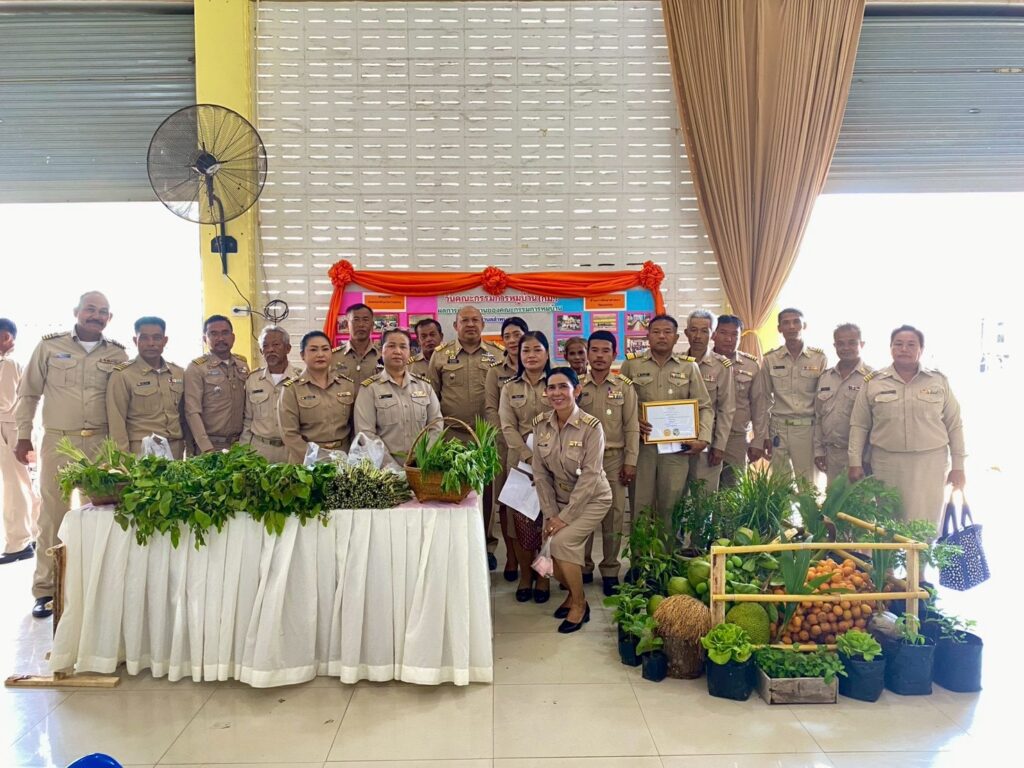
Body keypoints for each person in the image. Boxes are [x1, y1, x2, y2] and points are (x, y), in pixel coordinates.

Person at [14, 291, 128, 618]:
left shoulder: (118, 353)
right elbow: (28, 394)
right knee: (53, 514)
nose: (96, 315)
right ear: (77, 311)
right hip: (59, 442)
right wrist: (23, 436)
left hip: (102, 445)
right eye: (90, 309)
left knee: (103, 515)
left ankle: (97, 587)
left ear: (109, 318)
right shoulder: (50, 347)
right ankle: (46, 589)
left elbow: (124, 400)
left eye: (103, 311)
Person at [848, 325, 965, 524]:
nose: (904, 349)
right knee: (889, 521)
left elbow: (955, 425)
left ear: (921, 349)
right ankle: (891, 547)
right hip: (887, 463)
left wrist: (958, 466)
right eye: (898, 344)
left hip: (930, 464)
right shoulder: (874, 382)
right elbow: (859, 425)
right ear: (891, 348)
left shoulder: (938, 381)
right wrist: (854, 462)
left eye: (911, 344)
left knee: (926, 522)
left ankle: (926, 546)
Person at [533, 367, 612, 633]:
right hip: (558, 500)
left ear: (576, 390)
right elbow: (540, 474)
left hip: (592, 498)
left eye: (563, 386)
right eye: (551, 387)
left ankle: (580, 604)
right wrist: (550, 514)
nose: (557, 393)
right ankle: (571, 595)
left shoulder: (592, 427)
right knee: (550, 543)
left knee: (562, 542)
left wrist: (563, 519)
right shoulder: (540, 425)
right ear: (546, 393)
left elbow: (589, 478)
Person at [427, 305, 505, 568]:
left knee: (487, 494)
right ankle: (456, 545)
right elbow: (433, 398)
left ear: (483, 324)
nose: (470, 324)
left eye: (475, 320)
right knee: (453, 493)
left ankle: (486, 545)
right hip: (452, 437)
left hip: (486, 438)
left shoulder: (497, 355)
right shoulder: (440, 356)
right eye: (464, 320)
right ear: (455, 326)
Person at [620, 314, 713, 527]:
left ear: (677, 337)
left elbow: (705, 406)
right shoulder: (631, 365)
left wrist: (703, 439)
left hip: (676, 449)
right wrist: (634, 421)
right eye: (656, 332)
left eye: (667, 332)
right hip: (642, 448)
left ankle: (669, 549)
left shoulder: (689, 367)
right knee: (640, 506)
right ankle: (640, 550)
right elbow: (620, 404)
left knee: (671, 507)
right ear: (648, 336)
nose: (662, 336)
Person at [579, 330, 639, 595]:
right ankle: (583, 567)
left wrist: (631, 461)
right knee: (582, 513)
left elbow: (632, 426)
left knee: (614, 516)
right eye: (594, 350)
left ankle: (611, 570)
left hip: (614, 458)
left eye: (605, 351)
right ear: (587, 353)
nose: (599, 356)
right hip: (582, 460)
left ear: (614, 354)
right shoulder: (576, 386)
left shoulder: (624, 387)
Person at [498, 330, 551, 603]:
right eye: (525, 350)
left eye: (537, 350)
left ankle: (543, 577)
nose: (531, 355)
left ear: (547, 353)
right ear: (518, 355)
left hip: (554, 464)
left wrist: (545, 459)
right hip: (520, 463)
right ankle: (525, 576)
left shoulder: (557, 383)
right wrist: (528, 458)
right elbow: (507, 426)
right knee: (519, 523)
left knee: (548, 523)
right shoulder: (510, 388)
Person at [354, 328, 441, 462]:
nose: (397, 351)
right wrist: (391, 467)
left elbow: (436, 425)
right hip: (385, 469)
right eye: (391, 346)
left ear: (410, 351)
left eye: (403, 347)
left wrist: (422, 460)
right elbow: (366, 434)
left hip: (422, 466)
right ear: (381, 350)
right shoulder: (370, 389)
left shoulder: (424, 386)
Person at [761, 308, 828, 484]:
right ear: (779, 328)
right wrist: (764, 435)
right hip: (778, 429)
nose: (791, 326)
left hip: (806, 429)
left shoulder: (819, 358)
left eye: (796, 321)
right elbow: (764, 399)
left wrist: (821, 439)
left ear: (804, 325)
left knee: (808, 486)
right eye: (786, 323)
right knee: (780, 485)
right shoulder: (770, 359)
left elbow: (823, 402)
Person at [485, 316, 528, 582]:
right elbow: (491, 408)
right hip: (504, 445)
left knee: (536, 503)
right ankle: (512, 557)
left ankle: (536, 560)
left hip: (537, 447)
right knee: (506, 501)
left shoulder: (539, 365)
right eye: (507, 336)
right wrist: (504, 435)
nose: (513, 340)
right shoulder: (495, 372)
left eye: (517, 335)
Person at [106, 316, 186, 459]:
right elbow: (116, 422)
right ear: (135, 341)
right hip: (142, 451)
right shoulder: (123, 375)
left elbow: (184, 416)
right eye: (144, 338)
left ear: (165, 341)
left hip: (175, 449)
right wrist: (122, 460)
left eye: (157, 338)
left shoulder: (178, 372)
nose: (151, 343)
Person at [279, 331, 357, 462]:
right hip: (307, 461)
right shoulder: (292, 389)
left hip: (343, 457)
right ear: (302, 355)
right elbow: (289, 434)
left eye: (325, 349)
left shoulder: (346, 385)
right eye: (313, 350)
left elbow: (355, 426)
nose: (320, 354)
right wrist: (315, 459)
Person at [683, 310, 736, 493]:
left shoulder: (721, 366)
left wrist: (719, 446)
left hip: (708, 440)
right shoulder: (677, 363)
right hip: (677, 439)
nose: (698, 336)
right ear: (686, 333)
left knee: (704, 498)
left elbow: (726, 409)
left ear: (712, 335)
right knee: (675, 497)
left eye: (704, 331)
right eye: (693, 330)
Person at [712, 314, 768, 486]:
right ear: (713, 334)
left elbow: (759, 405)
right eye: (723, 333)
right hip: (707, 435)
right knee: (704, 489)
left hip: (736, 437)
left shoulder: (751, 365)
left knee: (733, 488)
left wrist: (758, 440)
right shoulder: (702, 363)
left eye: (734, 334)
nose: (729, 339)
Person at [814, 323, 873, 484]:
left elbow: (876, 423)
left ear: (862, 344)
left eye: (852, 343)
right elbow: (818, 417)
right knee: (833, 498)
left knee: (860, 498)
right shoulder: (825, 377)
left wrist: (867, 459)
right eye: (840, 343)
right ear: (834, 346)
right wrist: (818, 451)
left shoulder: (872, 378)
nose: (846, 348)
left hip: (861, 456)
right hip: (832, 455)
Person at [1, 318, 37, 566]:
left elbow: (3, 402)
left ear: (6, 337)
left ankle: (18, 544)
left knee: (15, 488)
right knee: (25, 486)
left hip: (10, 430)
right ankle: (33, 535)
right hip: (15, 428)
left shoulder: (8, 363)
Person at [183, 315, 248, 454]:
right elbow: (192, 412)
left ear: (233, 337)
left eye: (225, 333)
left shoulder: (242, 364)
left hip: (240, 444)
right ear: (205, 339)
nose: (220, 338)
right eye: (214, 334)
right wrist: (206, 447)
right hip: (211, 446)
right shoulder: (196, 368)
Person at [240, 326, 299, 463]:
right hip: (260, 450)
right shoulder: (253, 380)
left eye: (276, 344)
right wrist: (243, 452)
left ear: (288, 348)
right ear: (261, 351)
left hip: (291, 451)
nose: (270, 349)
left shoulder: (300, 379)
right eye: (265, 346)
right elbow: (248, 420)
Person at [332, 303, 380, 378]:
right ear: (347, 325)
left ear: (372, 325)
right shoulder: (333, 357)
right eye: (356, 320)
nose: (361, 324)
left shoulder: (382, 356)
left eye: (365, 320)